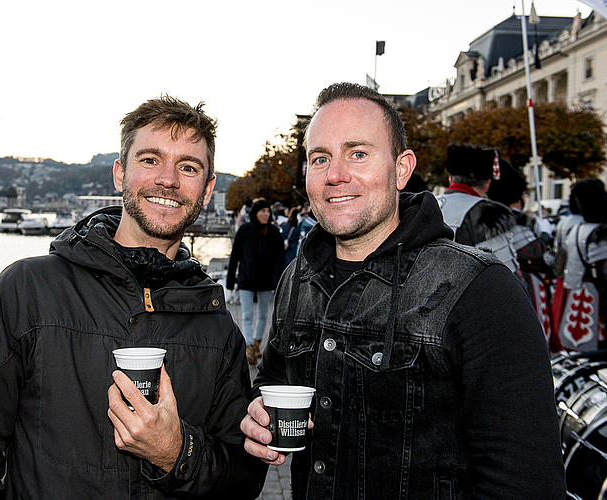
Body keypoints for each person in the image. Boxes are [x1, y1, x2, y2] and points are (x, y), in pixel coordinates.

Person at [0, 96, 266, 500]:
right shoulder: (26, 292)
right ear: (120, 174)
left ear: (206, 191)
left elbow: (244, 478)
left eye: (187, 167)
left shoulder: (216, 327)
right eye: (150, 160)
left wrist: (178, 453)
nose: (167, 179)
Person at [240, 82, 565, 499]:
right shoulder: (296, 279)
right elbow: (273, 379)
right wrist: (258, 413)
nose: (335, 174)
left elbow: (525, 482)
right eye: (320, 158)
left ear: (402, 169)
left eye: (358, 153)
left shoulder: (480, 290)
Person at [487, 161, 555, 344]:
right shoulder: (512, 218)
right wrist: (546, 235)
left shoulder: (490, 214)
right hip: (523, 281)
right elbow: (534, 252)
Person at [550, 178, 607, 352]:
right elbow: (604, 268)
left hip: (574, 286)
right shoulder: (599, 232)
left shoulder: (575, 228)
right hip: (593, 290)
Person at [436, 144, 519, 272]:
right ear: (488, 184)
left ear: (450, 179)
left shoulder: (422, 204)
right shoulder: (489, 212)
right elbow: (504, 272)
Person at [227, 198, 286, 365]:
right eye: (263, 211)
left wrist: (278, 279)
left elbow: (280, 258)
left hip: (266, 281)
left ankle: (257, 343)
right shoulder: (244, 231)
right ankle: (249, 346)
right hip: (246, 279)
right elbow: (235, 256)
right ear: (255, 213)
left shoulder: (274, 233)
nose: (266, 214)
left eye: (268, 211)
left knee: (263, 315)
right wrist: (231, 281)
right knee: (247, 315)